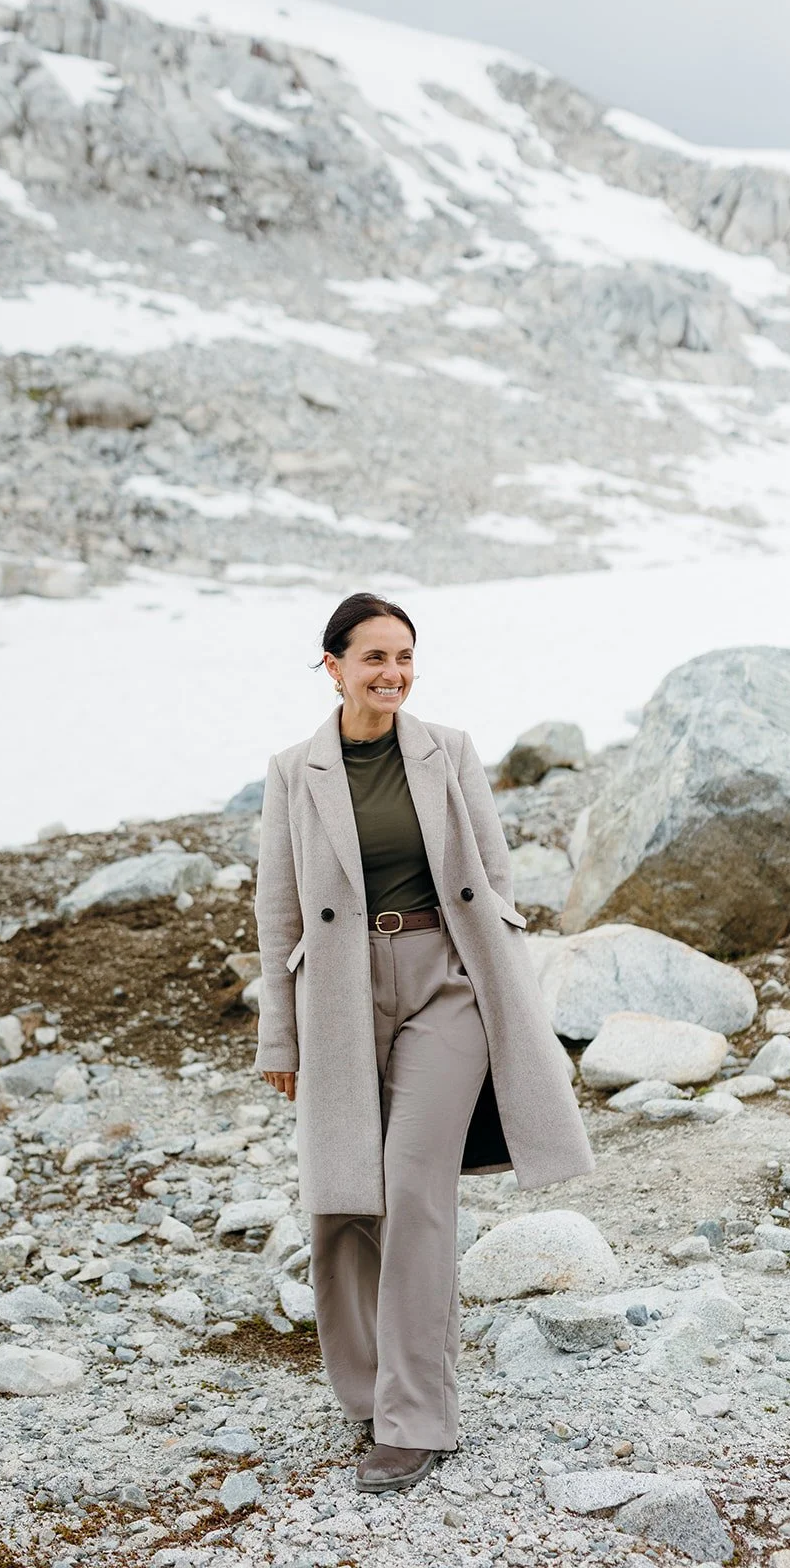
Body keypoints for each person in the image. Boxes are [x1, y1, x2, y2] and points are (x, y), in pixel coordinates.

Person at [253, 591, 594, 1494]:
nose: (393, 673)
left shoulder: (450, 752)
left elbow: (492, 874)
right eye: (373, 658)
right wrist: (276, 1038)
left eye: (404, 656)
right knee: (342, 1200)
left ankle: (415, 1418)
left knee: (413, 1185)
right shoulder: (294, 771)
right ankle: (366, 1392)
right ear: (331, 666)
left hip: (444, 984)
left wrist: (494, 979)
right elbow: (276, 910)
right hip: (336, 994)